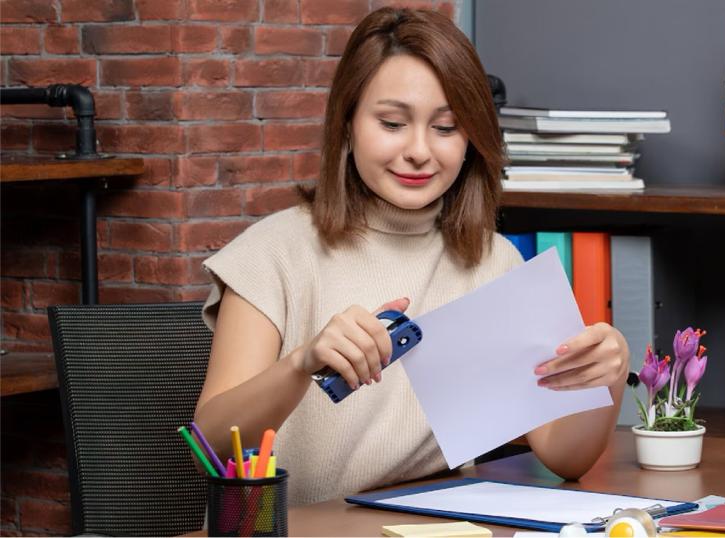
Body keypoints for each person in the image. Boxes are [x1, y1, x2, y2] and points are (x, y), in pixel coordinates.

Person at [194, 7, 629, 506]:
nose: (420, 151)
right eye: (393, 123)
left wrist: (609, 373)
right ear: (348, 123)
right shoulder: (272, 253)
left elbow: (565, 457)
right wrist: (301, 364)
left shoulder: (496, 263)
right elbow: (208, 446)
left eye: (446, 128)